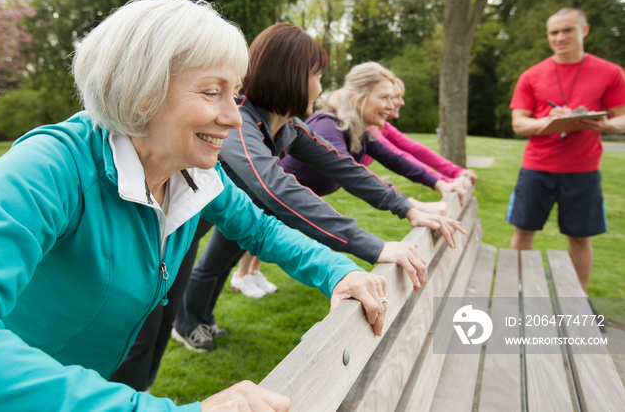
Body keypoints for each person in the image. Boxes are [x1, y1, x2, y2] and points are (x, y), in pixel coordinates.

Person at [0, 0, 393, 412]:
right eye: (212, 91)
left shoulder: (192, 171)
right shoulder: (49, 165)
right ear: (142, 90)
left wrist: (338, 271)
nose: (233, 117)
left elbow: (260, 229)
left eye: (236, 93)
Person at [171, 23, 465, 354]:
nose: (321, 88)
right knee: (186, 277)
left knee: (216, 265)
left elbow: (345, 168)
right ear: (293, 76)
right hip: (182, 221)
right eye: (318, 76)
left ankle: (198, 320)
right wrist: (374, 246)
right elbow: (275, 187)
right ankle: (185, 325)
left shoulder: (290, 127)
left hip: (236, 211)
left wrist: (407, 207)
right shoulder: (240, 121)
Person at [507, 6, 625, 292]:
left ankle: (578, 299)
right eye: (553, 32)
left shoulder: (610, 73)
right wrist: (548, 121)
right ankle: (516, 290)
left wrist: (604, 125)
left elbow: (621, 119)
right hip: (536, 167)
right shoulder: (531, 75)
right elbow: (519, 124)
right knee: (523, 230)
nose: (560, 37)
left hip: (583, 170)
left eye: (567, 30)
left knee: (581, 237)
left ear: (584, 30)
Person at [278, 61, 473, 205]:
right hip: (261, 212)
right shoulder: (328, 128)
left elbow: (397, 160)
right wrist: (413, 205)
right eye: (384, 98)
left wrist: (441, 184)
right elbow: (354, 177)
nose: (392, 106)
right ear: (358, 99)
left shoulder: (357, 131)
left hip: (280, 215)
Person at [363, 73, 478, 188]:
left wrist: (455, 172)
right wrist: (442, 181)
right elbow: (398, 157)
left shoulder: (382, 127)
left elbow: (416, 149)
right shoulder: (368, 129)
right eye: (396, 96)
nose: (402, 102)